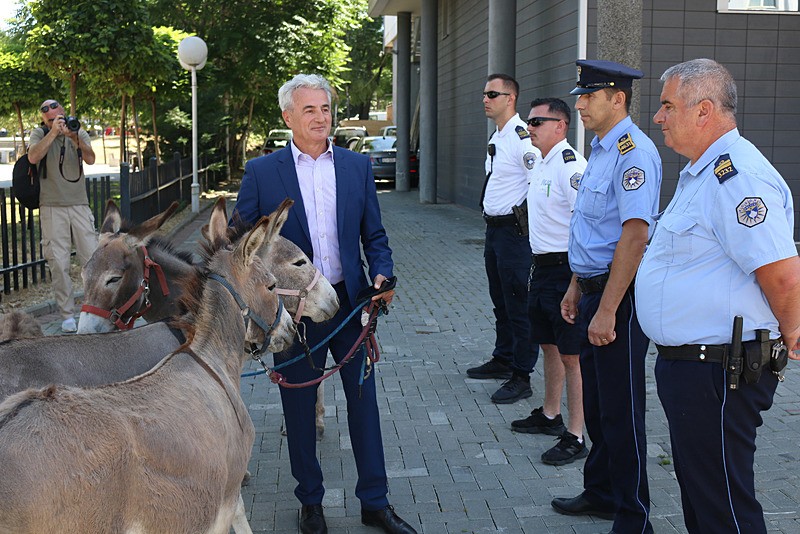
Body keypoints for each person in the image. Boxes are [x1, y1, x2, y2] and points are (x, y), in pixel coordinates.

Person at [232, 74, 416, 534]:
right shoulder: (262, 172)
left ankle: (375, 502)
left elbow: (374, 236)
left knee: (364, 404)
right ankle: (310, 503)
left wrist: (382, 271)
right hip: (292, 315)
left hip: (350, 306)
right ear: (288, 116)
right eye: (309, 109)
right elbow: (239, 243)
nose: (321, 117)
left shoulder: (356, 166)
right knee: (298, 411)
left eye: (326, 108)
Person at [637, 58, 800, 534]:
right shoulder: (702, 172)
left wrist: (792, 332)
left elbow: (782, 275)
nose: (658, 117)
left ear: (704, 110)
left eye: (668, 106)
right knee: (704, 497)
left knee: (724, 506)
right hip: (695, 368)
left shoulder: (737, 177)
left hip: (719, 372)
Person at [551, 60, 662, 534]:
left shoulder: (634, 153)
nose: (579, 105)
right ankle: (601, 493)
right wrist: (576, 286)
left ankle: (634, 518)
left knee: (621, 411)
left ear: (618, 99)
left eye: (589, 96)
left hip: (619, 299)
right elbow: (593, 231)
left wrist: (609, 309)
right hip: (594, 292)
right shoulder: (600, 150)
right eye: (579, 96)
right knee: (597, 407)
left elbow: (634, 236)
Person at [511, 97, 588, 466]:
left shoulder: (571, 166)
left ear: (560, 126)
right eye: (529, 121)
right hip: (541, 268)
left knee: (572, 355)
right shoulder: (542, 162)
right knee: (549, 345)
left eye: (537, 122)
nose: (530, 127)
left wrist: (576, 281)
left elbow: (585, 225)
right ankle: (550, 413)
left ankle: (576, 434)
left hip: (566, 271)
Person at [467, 73, 540, 405]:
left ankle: (522, 375)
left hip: (514, 232)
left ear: (510, 98)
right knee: (501, 299)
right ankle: (504, 358)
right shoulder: (499, 135)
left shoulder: (522, 137)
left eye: (492, 94)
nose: (486, 99)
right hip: (494, 230)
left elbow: (537, 181)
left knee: (518, 303)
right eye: (485, 94)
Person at [27, 99, 98, 333]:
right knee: (58, 263)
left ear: (63, 112)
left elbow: (90, 159)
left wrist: (73, 137)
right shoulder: (39, 134)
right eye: (45, 112)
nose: (50, 113)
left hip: (79, 205)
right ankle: (67, 315)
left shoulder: (77, 130)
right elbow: (33, 157)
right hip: (51, 206)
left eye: (54, 109)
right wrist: (53, 133)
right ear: (44, 119)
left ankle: (92, 310)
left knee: (92, 260)